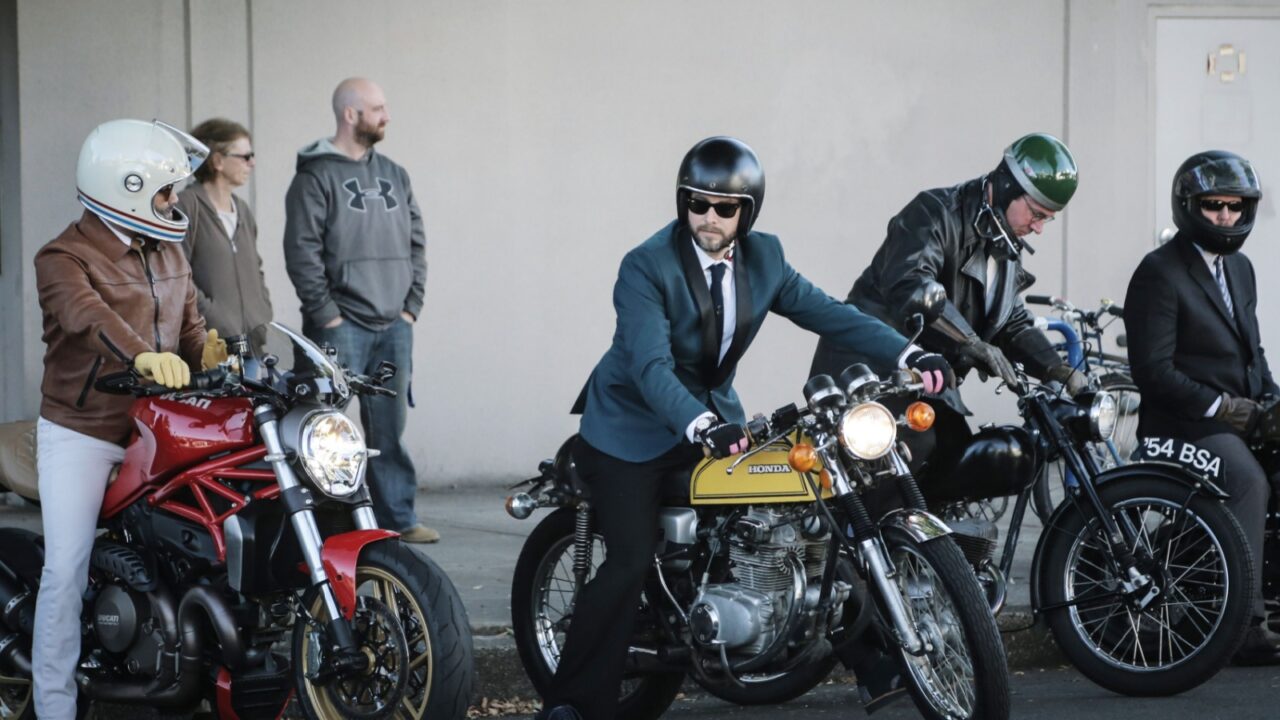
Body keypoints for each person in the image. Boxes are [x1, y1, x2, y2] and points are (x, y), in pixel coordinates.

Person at [537, 136, 953, 720]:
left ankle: (872, 662)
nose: (709, 217)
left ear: (747, 212)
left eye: (725, 207)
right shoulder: (645, 266)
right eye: (697, 203)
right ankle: (572, 704)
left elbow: (832, 313)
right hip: (630, 430)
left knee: (808, 509)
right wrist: (700, 423)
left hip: (715, 420)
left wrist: (910, 354)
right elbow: (650, 365)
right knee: (629, 559)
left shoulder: (766, 258)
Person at [32, 118, 223, 719]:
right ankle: (55, 706)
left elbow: (191, 329)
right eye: (165, 193)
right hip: (84, 430)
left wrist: (211, 352)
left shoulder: (167, 249)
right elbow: (87, 316)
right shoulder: (62, 257)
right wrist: (141, 356)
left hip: (160, 425)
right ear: (127, 187)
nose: (173, 203)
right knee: (65, 569)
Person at [810, 133, 1085, 478]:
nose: (1039, 228)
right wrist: (970, 342)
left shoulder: (1004, 245)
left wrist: (1057, 370)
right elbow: (910, 284)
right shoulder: (934, 212)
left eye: (1048, 219)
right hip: (870, 375)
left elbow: (1011, 322)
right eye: (1036, 213)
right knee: (911, 456)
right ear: (1006, 186)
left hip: (927, 385)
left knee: (970, 462)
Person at [1124, 150, 1280, 665]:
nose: (1226, 217)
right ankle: (1244, 627)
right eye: (1215, 206)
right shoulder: (1159, 272)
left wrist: (1270, 398)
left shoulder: (1241, 268)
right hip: (1180, 426)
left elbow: (1252, 351)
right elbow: (1153, 371)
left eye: (1236, 207)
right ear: (1190, 205)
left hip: (1236, 421)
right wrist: (1221, 407)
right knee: (1248, 481)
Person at [283, 77, 436, 543]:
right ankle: (321, 526)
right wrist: (326, 314)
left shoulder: (395, 174)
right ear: (351, 115)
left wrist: (411, 308)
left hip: (394, 325)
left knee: (389, 429)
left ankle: (398, 519)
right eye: (378, 108)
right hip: (340, 325)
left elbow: (417, 243)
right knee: (322, 427)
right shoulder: (314, 177)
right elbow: (301, 250)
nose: (387, 116)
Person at [177, 118, 273, 350]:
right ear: (218, 161)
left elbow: (256, 268)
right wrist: (211, 316)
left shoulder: (243, 210)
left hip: (253, 346)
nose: (252, 163)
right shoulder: (186, 206)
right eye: (245, 156)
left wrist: (263, 311)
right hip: (210, 347)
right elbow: (177, 275)